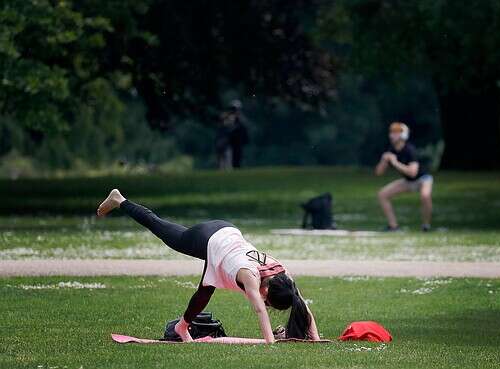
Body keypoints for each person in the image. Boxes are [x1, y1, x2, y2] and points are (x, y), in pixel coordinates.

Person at [96, 189, 320, 343]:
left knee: (206, 289)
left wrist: (316, 339)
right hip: (209, 238)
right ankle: (120, 200)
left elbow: (302, 306)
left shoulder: (284, 276)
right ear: (268, 290)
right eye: (268, 299)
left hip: (228, 234)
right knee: (161, 228)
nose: (265, 302)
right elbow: (259, 310)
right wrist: (270, 344)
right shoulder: (251, 276)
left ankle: (182, 328)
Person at [374, 122, 433, 232]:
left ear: (403, 135)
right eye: (391, 132)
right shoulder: (391, 149)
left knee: (425, 196)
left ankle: (426, 225)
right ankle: (393, 226)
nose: (392, 135)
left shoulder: (409, 149)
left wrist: (395, 163)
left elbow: (413, 173)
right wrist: (383, 160)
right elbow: (378, 173)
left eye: (396, 132)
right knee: (382, 194)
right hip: (408, 181)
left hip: (423, 179)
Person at [227, 100, 249, 168]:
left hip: (239, 140)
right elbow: (229, 127)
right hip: (231, 140)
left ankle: (237, 167)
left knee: (238, 155)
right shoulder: (230, 117)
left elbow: (245, 126)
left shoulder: (241, 118)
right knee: (232, 156)